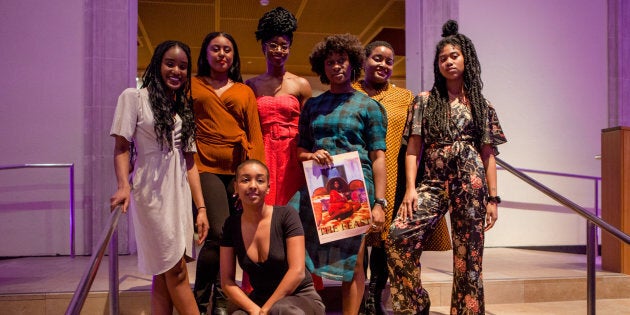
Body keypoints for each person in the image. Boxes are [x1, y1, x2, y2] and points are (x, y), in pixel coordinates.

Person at [386, 20, 507, 315]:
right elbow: (413, 148)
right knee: (398, 236)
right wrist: (410, 189)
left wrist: (493, 198)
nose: (449, 61)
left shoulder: (482, 105)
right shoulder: (425, 102)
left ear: (467, 58)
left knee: (469, 257)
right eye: (443, 58)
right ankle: (415, 305)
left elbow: (489, 154)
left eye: (454, 55)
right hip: (434, 182)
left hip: (472, 183)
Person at [110, 40, 209, 315]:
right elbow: (120, 146)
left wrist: (201, 208)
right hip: (151, 192)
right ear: (157, 64)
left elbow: (190, 162)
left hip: (179, 192)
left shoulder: (183, 107)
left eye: (183, 66)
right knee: (175, 270)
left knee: (163, 271)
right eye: (170, 63)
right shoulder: (134, 97)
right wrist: (123, 186)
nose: (176, 70)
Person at [352, 41, 452, 314]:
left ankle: (374, 297)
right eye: (377, 58)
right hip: (357, 176)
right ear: (364, 61)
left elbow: (418, 139)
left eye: (388, 60)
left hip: (393, 176)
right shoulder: (350, 93)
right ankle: (359, 301)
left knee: (386, 240)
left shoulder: (405, 98)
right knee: (358, 241)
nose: (383, 65)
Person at [293, 33, 387, 315]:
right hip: (319, 186)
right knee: (301, 250)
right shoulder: (313, 105)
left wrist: (379, 203)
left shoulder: (368, 105)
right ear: (322, 68)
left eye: (341, 61)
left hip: (355, 186)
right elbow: (300, 149)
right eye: (330, 62)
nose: (336, 66)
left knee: (353, 262)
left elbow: (378, 156)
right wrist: (311, 155)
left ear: (353, 63)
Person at [191, 32, 266, 315]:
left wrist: (254, 177)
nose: (222, 54)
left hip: (237, 171)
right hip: (204, 165)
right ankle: (201, 299)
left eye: (227, 50)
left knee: (231, 235)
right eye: (216, 49)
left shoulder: (244, 90)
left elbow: (254, 134)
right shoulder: (193, 85)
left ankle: (222, 295)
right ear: (206, 53)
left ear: (233, 56)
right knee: (217, 232)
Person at [219, 159, 326, 315]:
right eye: (245, 180)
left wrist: (266, 310)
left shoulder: (286, 215)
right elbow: (227, 282)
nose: (253, 185)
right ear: (236, 187)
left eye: (260, 180)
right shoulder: (231, 225)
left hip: (299, 297)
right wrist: (254, 310)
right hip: (260, 300)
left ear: (268, 187)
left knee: (281, 310)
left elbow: (297, 271)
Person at [246, 6, 312, 206]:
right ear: (263, 47)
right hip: (263, 151)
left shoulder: (300, 84)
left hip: (293, 154)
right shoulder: (251, 85)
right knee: (263, 211)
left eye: (284, 46)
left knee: (294, 213)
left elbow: (309, 128)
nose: (279, 50)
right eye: (273, 45)